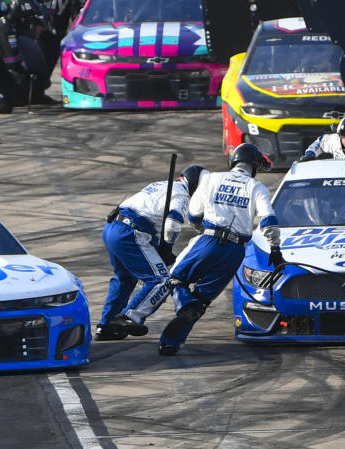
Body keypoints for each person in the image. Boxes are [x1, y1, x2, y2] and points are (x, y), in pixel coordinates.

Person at [156, 143, 279, 355]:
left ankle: (183, 310)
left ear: (234, 160)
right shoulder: (257, 187)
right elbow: (268, 220)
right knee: (202, 300)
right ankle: (171, 341)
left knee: (176, 278)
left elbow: (194, 214)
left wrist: (201, 230)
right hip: (236, 251)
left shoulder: (211, 178)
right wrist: (275, 248)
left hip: (209, 239)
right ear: (254, 166)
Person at [95, 164, 209, 340]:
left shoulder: (160, 184)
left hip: (112, 227)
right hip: (130, 232)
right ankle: (129, 317)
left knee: (125, 279)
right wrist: (167, 247)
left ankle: (106, 326)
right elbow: (172, 223)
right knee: (162, 279)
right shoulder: (181, 194)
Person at [20, 0, 82, 92]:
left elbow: (78, 16)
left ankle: (37, 93)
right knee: (30, 65)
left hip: (56, 36)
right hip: (35, 34)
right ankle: (25, 91)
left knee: (46, 71)